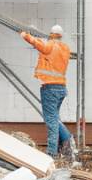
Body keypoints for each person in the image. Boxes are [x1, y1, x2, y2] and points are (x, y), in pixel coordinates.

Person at [21, 24, 74, 160]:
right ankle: (67, 143)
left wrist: (25, 34)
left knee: (51, 120)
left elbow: (39, 44)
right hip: (61, 88)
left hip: (49, 88)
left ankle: (52, 154)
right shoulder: (65, 48)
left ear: (51, 34)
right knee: (55, 118)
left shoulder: (50, 45)